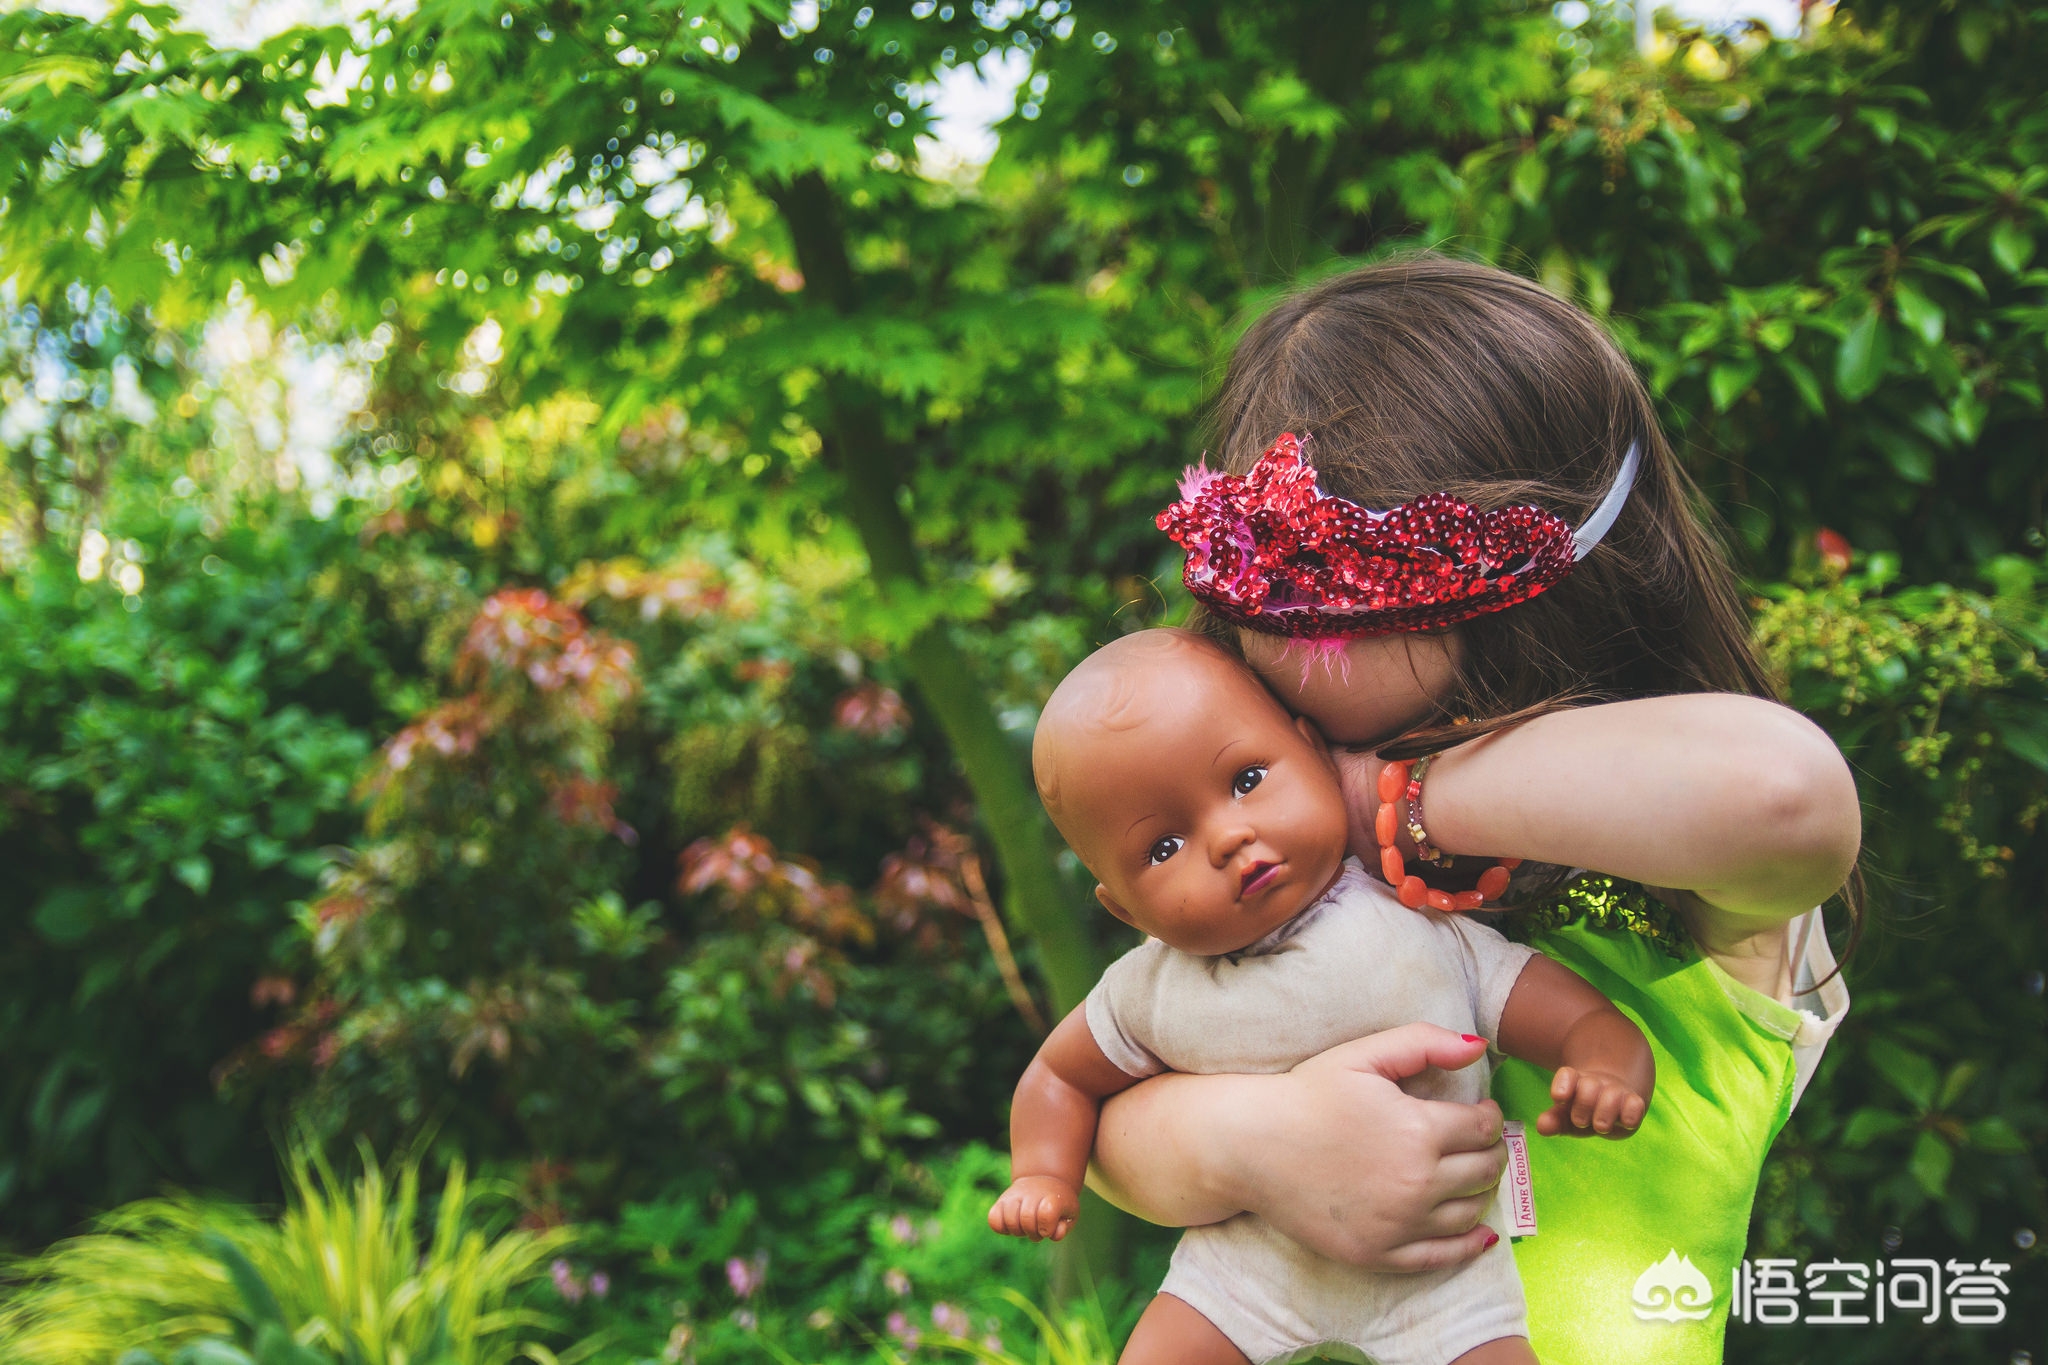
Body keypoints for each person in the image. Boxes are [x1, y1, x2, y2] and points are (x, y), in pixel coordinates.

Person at [1084, 256, 1862, 1365]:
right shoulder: (1260, 866)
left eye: (1358, 589)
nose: (1319, 634)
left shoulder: (1687, 893)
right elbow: (1111, 1129)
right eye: (1279, 587)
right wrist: (1258, 1143)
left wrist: (1408, 804)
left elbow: (1784, 799)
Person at [990, 629, 1655, 1365]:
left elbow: (1577, 1016)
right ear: (1125, 909)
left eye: (1245, 779)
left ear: (1312, 751)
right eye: (1163, 848)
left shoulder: (1419, 926)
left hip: (1443, 1278)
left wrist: (1605, 1065)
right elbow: (1059, 1075)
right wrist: (1042, 1173)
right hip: (1244, 1277)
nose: (1228, 836)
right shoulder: (1153, 987)